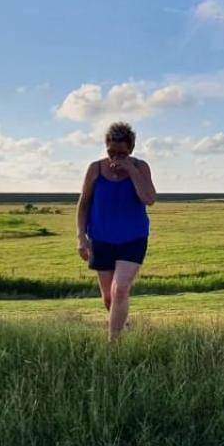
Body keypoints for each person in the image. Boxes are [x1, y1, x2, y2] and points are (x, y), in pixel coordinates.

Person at [76, 121, 156, 340]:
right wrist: (81, 237)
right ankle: (124, 327)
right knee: (109, 298)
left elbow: (149, 199)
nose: (115, 158)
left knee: (120, 289)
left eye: (121, 153)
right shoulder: (95, 168)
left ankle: (114, 345)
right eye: (111, 152)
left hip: (133, 238)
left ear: (130, 149)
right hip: (101, 238)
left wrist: (130, 170)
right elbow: (83, 204)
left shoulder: (140, 167)